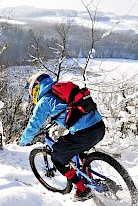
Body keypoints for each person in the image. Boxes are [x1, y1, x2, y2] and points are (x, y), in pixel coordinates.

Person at [20, 72, 105, 202]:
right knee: (79, 150)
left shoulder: (44, 102)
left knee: (57, 157)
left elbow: (33, 125)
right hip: (99, 127)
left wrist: (23, 141)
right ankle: (90, 178)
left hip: (85, 134)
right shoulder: (60, 90)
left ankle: (83, 190)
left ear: (35, 89)